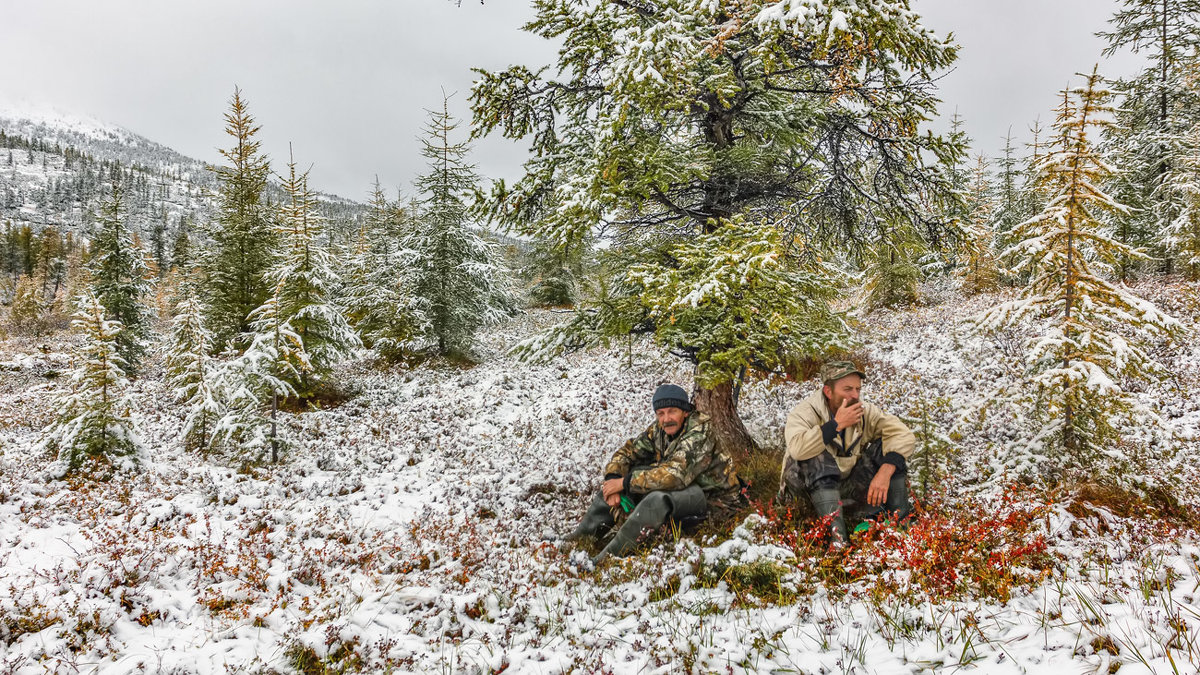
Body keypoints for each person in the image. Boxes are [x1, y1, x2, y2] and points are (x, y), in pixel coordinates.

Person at [566, 383, 743, 562]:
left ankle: (607, 558)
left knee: (657, 499)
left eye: (672, 411)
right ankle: (579, 540)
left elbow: (675, 475)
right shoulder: (660, 429)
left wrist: (625, 483)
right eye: (661, 413)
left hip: (714, 501)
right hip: (685, 489)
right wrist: (613, 479)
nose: (666, 419)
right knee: (614, 486)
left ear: (686, 411)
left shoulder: (700, 432)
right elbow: (628, 452)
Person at [779, 360, 915, 544]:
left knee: (890, 451)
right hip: (806, 493)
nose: (855, 395)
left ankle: (902, 530)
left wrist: (886, 470)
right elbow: (798, 449)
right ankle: (838, 542)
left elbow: (903, 434)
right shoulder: (805, 413)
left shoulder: (864, 412)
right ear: (828, 391)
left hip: (845, 487)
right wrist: (836, 425)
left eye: (858, 389)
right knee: (815, 455)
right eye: (848, 389)